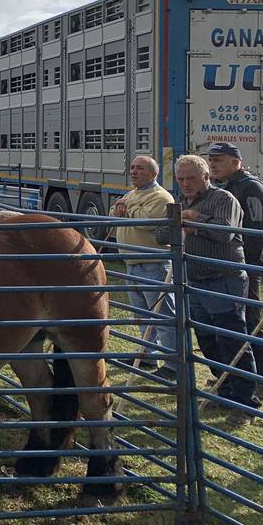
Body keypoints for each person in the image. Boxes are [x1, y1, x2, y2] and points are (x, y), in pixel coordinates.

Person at [155, 154, 258, 425]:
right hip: (195, 281)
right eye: (180, 179)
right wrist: (181, 220)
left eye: (191, 178)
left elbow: (224, 232)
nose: (186, 184)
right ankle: (224, 392)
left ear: (206, 177)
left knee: (232, 338)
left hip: (224, 278)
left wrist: (194, 218)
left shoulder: (223, 200)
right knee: (207, 339)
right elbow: (162, 235)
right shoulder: (178, 203)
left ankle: (246, 403)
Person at [208, 142, 263, 401]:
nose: (213, 164)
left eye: (219, 160)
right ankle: (235, 374)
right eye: (211, 160)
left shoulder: (251, 187)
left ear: (236, 161)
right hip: (227, 265)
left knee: (252, 320)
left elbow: (257, 229)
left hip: (247, 264)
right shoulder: (221, 188)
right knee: (230, 322)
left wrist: (248, 265)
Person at [112, 156, 176, 373]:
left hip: (154, 264)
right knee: (141, 316)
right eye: (132, 168)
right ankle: (147, 356)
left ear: (153, 173)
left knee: (162, 317)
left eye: (139, 168)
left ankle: (173, 365)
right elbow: (115, 212)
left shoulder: (160, 197)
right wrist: (126, 207)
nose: (134, 172)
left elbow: (147, 221)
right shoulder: (134, 194)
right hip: (133, 263)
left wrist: (127, 207)